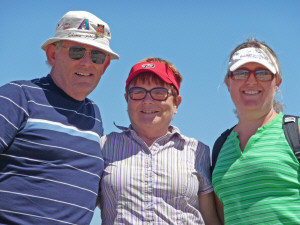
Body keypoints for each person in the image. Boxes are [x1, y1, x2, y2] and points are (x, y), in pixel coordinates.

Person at [0, 11, 119, 224]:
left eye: (97, 56)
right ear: (52, 54)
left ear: (106, 65)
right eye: (76, 51)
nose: (87, 62)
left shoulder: (94, 116)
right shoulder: (17, 96)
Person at [99, 57, 221, 225]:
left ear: (176, 103)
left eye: (159, 93)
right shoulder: (103, 147)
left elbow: (211, 220)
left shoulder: (198, 151)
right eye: (138, 92)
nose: (148, 100)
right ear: (127, 99)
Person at [212, 38, 300, 224]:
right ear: (229, 82)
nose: (251, 81)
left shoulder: (296, 132)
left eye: (262, 73)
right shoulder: (220, 148)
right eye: (241, 73)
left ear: (277, 82)